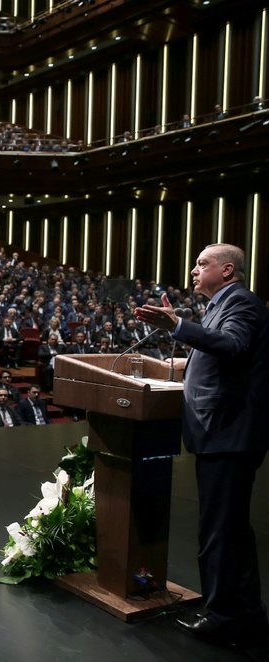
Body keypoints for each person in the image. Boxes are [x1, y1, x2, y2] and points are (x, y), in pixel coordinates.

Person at [135, 243, 269, 653]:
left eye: (202, 264)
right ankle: (244, 615)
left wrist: (179, 325)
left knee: (218, 533)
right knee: (230, 532)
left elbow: (231, 346)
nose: (194, 270)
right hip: (220, 435)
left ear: (227, 270)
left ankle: (223, 619)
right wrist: (179, 335)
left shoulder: (242, 303)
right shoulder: (217, 306)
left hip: (228, 435)